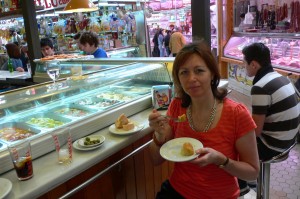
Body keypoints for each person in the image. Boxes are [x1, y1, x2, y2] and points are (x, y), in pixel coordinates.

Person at [148, 41, 260, 198]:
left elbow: (252, 172)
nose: (191, 78)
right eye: (184, 72)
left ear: (212, 74)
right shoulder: (177, 106)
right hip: (177, 190)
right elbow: (155, 160)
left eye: (199, 71)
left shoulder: (237, 114)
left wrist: (222, 161)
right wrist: (159, 137)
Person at [238, 43, 300, 195]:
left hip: (274, 145)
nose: (243, 66)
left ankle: (242, 187)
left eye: (244, 63)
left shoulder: (260, 87)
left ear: (253, 64)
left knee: (235, 146)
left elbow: (256, 132)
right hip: (291, 140)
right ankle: (252, 178)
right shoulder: (280, 77)